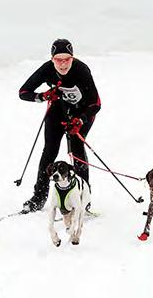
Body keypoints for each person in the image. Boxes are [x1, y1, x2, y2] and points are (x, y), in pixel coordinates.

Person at [17, 38, 101, 213]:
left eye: (67, 59)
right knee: (49, 152)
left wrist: (81, 120)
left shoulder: (81, 70)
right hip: (57, 112)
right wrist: (43, 96)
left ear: (73, 58)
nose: (63, 64)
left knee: (76, 150)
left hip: (82, 114)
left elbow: (96, 103)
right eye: (58, 60)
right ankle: (39, 197)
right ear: (52, 59)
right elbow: (23, 92)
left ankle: (83, 198)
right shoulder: (47, 69)